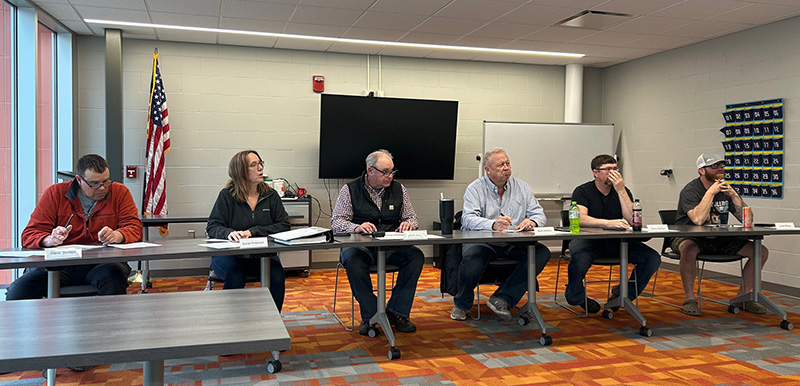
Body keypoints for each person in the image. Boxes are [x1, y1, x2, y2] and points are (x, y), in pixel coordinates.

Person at [6, 154, 142, 301]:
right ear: (79, 180)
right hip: (59, 265)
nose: (102, 188)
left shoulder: (119, 192)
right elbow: (29, 235)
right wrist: (49, 239)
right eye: (94, 183)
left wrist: (118, 235)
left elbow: (134, 226)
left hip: (102, 264)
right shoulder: (55, 193)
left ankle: (110, 323)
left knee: (114, 279)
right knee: (18, 291)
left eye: (106, 181)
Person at [450, 148, 551, 322]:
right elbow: (467, 219)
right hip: (483, 242)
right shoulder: (475, 188)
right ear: (487, 170)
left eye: (507, 163)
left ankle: (503, 298)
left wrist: (532, 222)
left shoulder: (522, 187)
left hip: (514, 242)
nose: (506, 168)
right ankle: (462, 304)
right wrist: (492, 224)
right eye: (500, 165)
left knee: (541, 252)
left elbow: (539, 214)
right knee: (472, 259)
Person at [331, 149, 424, 335]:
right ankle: (371, 314)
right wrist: (356, 227)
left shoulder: (399, 189)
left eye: (392, 172)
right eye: (385, 172)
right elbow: (336, 222)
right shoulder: (349, 189)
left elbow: (412, 217)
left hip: (391, 246)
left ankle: (397, 312)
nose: (389, 176)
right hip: (361, 247)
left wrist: (408, 224)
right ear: (370, 170)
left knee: (416, 256)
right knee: (352, 259)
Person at [673, 153, 769, 316]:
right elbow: (697, 219)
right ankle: (690, 298)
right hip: (690, 236)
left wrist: (734, 196)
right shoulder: (690, 190)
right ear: (701, 171)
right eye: (714, 166)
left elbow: (748, 220)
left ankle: (743, 297)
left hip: (719, 237)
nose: (719, 169)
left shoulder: (726, 189)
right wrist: (710, 193)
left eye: (721, 166)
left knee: (760, 251)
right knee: (688, 249)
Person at [564, 154, 660, 314]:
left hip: (617, 242)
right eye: (608, 169)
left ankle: (622, 295)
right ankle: (576, 296)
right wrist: (607, 223)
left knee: (651, 258)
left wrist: (621, 189)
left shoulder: (622, 190)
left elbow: (632, 219)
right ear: (595, 173)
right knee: (579, 259)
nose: (613, 172)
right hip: (589, 241)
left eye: (615, 169)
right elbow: (580, 218)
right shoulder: (583, 191)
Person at [206, 150, 291, 311]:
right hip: (230, 255)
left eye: (260, 164)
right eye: (254, 165)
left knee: (277, 275)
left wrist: (253, 231)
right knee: (236, 275)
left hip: (262, 255)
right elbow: (213, 226)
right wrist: (228, 233)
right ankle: (232, 322)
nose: (260, 168)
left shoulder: (270, 195)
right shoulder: (226, 196)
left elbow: (284, 225)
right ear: (241, 171)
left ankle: (274, 322)